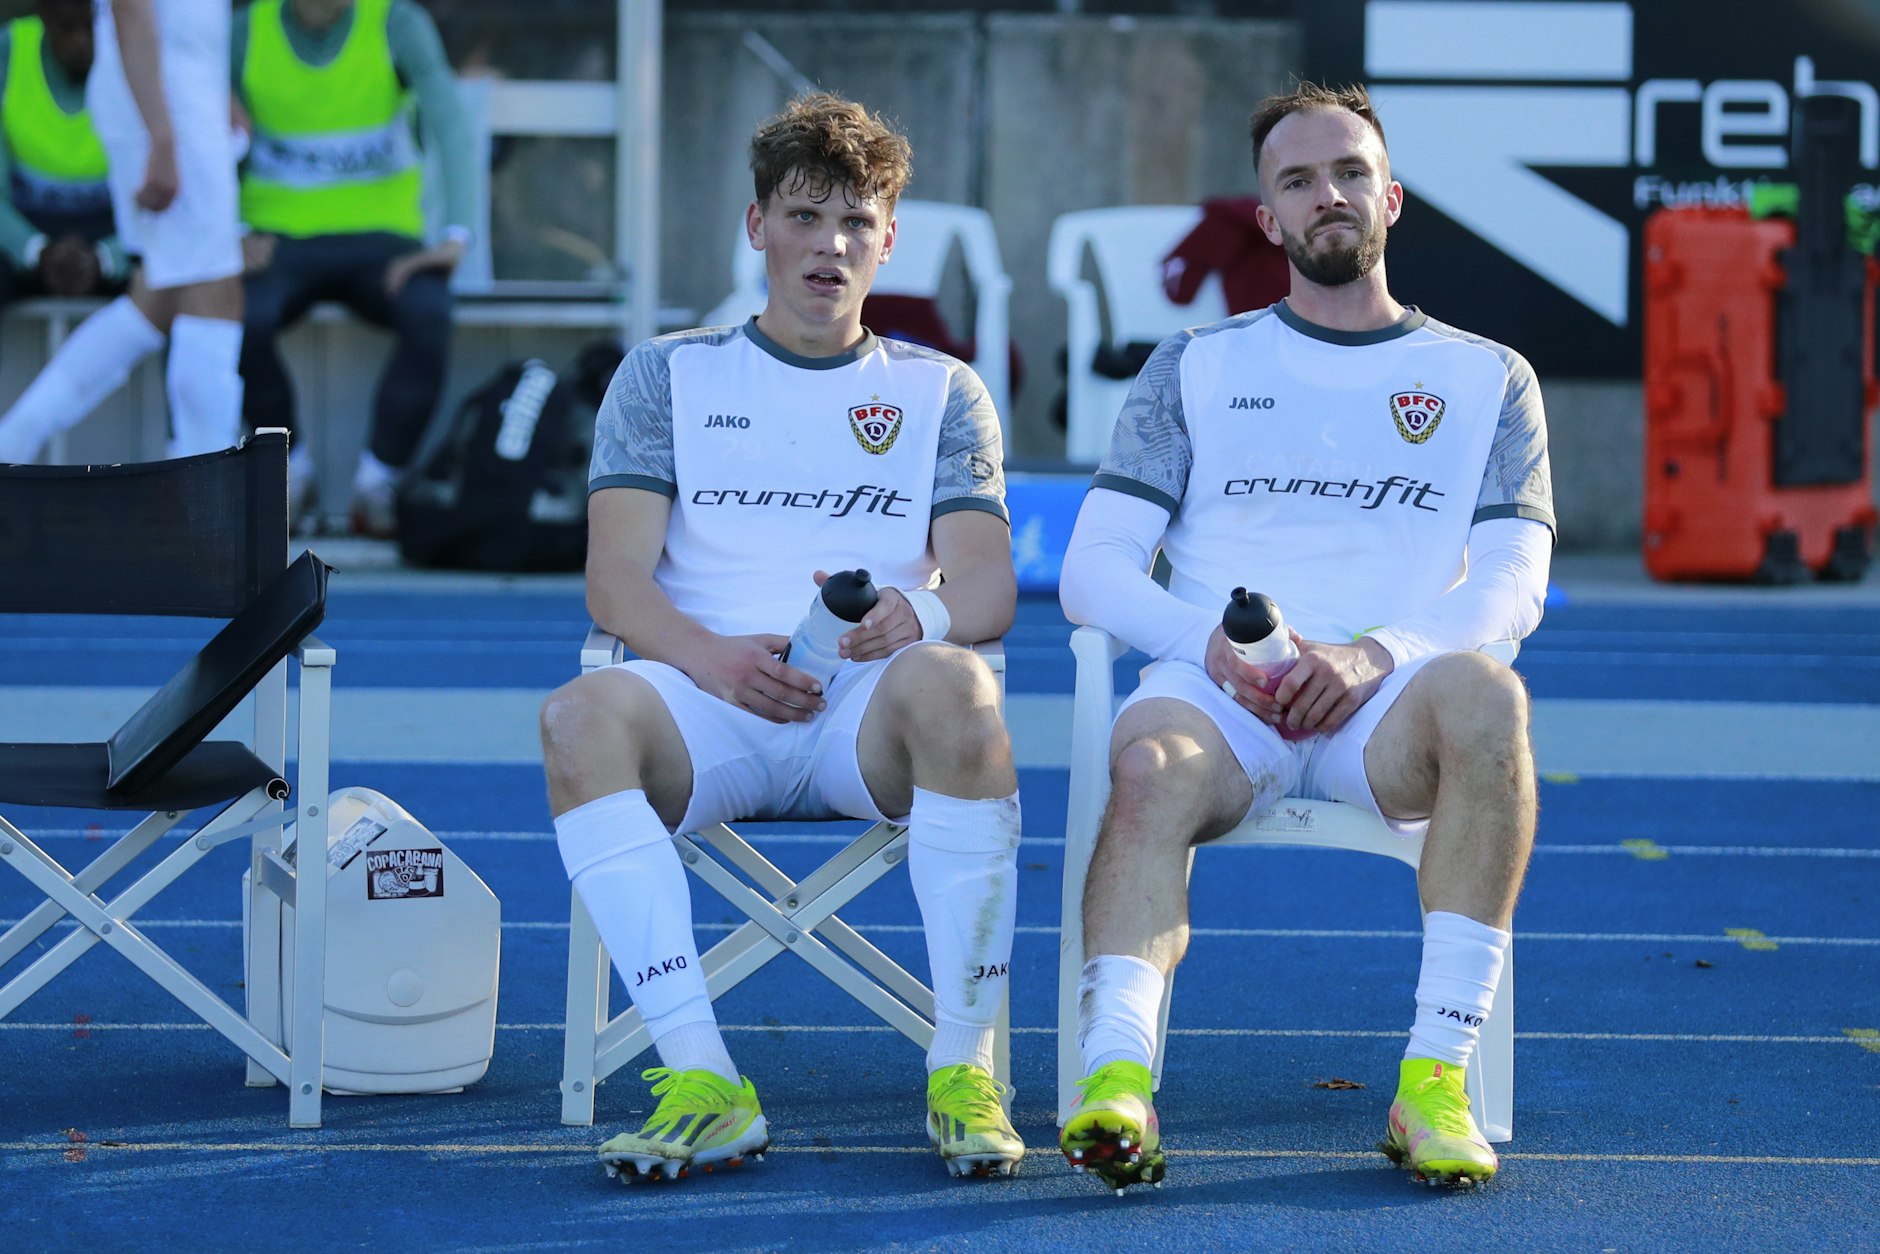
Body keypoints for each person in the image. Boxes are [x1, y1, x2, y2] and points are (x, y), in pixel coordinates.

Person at [1056, 80, 1555, 1192]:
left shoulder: (1486, 378)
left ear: (1390, 199)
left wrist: (1376, 654)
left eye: (1346, 173)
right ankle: (1114, 1083)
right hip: (1217, 692)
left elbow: (1517, 579)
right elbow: (1090, 572)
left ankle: (1432, 1079)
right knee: (1142, 767)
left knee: (1491, 700)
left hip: (1384, 703)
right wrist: (1210, 647)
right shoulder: (1190, 365)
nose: (1325, 194)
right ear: (1266, 219)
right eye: (1295, 180)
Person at [539, 93, 1025, 1184]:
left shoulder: (941, 391)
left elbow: (989, 584)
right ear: (756, 227)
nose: (830, 246)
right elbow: (615, 579)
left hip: (871, 710)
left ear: (888, 239)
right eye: (805, 218)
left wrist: (922, 616)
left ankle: (964, 1071)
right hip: (708, 702)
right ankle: (705, 1081)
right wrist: (711, 657)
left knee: (960, 686)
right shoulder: (666, 374)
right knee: (576, 717)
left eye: (856, 222)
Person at [231, 0, 474, 536]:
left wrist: (456, 237)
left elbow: (450, 124)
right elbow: (202, 133)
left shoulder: (396, 22)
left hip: (382, 240)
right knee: (235, 316)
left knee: (430, 311)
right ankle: (290, 471)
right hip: (278, 239)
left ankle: (378, 482)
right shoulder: (247, 30)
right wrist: (230, 232)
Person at [0, 0, 244, 465]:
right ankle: (206, 492)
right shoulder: (165, 124)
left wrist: (216, 93)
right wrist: (163, 137)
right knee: (215, 290)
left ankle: (13, 440)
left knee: (159, 295)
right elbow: (130, 8)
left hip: (178, 98)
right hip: (163, 107)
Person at [0, 0, 132, 323]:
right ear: (43, 16)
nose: (80, 42)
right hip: (25, 231)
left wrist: (106, 258)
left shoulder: (138, 50)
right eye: (66, 28)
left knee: (177, 285)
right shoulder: (8, 49)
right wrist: (35, 250)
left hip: (117, 235)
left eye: (91, 27)